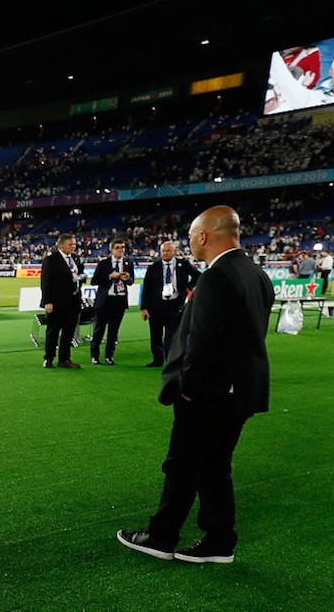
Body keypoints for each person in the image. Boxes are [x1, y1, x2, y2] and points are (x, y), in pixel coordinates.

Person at [117, 205, 274, 564]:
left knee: (183, 464)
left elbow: (201, 342)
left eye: (190, 236)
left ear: (204, 235)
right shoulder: (256, 273)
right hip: (243, 390)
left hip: (210, 393)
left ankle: (161, 536)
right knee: (215, 465)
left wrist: (188, 387)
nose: (189, 242)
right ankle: (219, 540)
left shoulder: (217, 277)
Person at [140, 240, 201, 367]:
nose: (165, 253)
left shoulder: (182, 264)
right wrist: (144, 307)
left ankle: (170, 359)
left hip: (174, 305)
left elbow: (197, 275)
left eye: (168, 250)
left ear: (174, 251)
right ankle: (157, 359)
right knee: (155, 334)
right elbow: (147, 288)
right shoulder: (153, 267)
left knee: (171, 335)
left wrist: (188, 287)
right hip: (156, 306)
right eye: (163, 251)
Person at [40, 233, 86, 369]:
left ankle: (64, 359)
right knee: (53, 331)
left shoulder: (76, 259)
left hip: (74, 301)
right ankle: (49, 358)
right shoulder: (51, 260)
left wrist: (81, 278)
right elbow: (45, 282)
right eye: (70, 244)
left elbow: (79, 276)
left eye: (74, 244)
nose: (73, 247)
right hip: (57, 303)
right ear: (61, 246)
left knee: (69, 332)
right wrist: (47, 302)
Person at [89, 238, 135, 365]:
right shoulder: (103, 263)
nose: (121, 250)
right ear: (111, 249)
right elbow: (94, 281)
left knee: (113, 332)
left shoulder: (128, 263)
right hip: (104, 301)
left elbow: (131, 282)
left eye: (123, 247)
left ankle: (109, 356)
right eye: (118, 247)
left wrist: (127, 279)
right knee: (99, 330)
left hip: (119, 301)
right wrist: (110, 276)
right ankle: (94, 356)